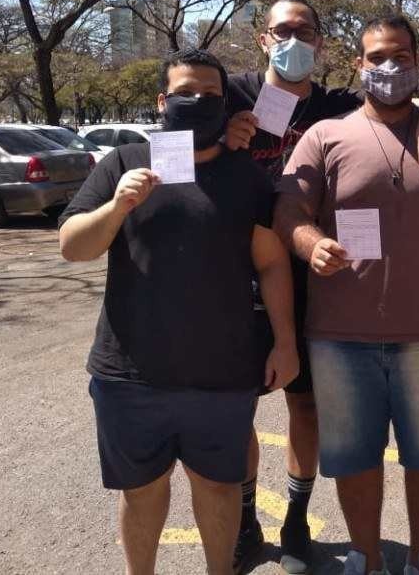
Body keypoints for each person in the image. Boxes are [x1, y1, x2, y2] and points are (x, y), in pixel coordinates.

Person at [224, 0, 419, 574]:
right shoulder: (231, 95)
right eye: (281, 30)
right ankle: (246, 522)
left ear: (324, 43)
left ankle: (296, 518)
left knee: (306, 409)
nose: (292, 40)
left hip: (307, 282)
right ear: (262, 37)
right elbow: (173, 142)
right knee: (234, 411)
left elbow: (396, 95)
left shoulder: (336, 107)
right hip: (224, 276)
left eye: (305, 30)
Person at [58, 48, 298, 575]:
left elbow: (273, 265)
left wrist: (284, 341)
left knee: (218, 488)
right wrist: (117, 206)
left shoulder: (246, 177)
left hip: (223, 373)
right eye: (186, 91)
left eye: (211, 94)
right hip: (130, 375)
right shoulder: (123, 162)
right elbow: (74, 246)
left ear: (226, 103)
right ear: (162, 100)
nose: (198, 101)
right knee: (142, 493)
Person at [275, 15, 419, 575]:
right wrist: (310, 242)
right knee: (353, 458)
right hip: (342, 336)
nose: (390, 67)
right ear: (358, 66)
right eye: (378, 58)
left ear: (417, 60)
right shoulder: (326, 136)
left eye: (401, 55)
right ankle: (365, 557)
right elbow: (289, 210)